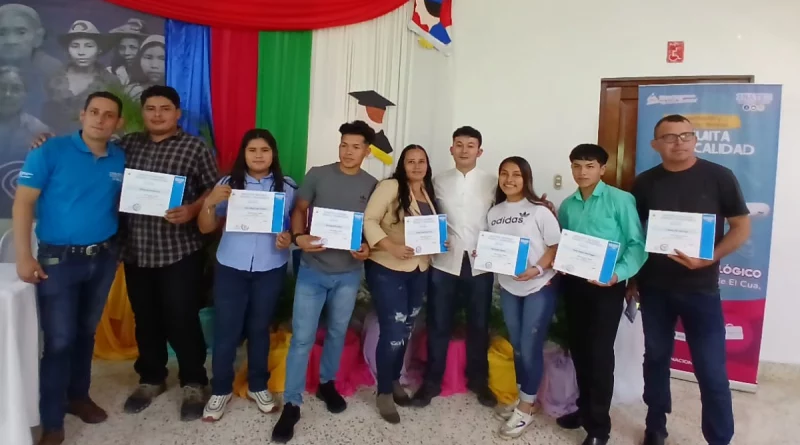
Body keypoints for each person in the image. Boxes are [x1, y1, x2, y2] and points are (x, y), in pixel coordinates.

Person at [31, 86, 217, 420]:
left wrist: (192, 209)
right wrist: (46, 141)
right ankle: (151, 377)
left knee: (182, 317)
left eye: (164, 108)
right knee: (145, 318)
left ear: (177, 113)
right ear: (141, 114)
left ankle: (193, 381)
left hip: (179, 250)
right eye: (150, 108)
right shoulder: (126, 146)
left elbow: (213, 189)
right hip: (135, 250)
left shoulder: (194, 147)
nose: (157, 114)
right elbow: (88, 149)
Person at [13, 91, 126, 445]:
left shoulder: (119, 158)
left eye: (109, 115)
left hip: (103, 258)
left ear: (117, 123)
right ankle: (51, 420)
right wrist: (23, 255)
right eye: (94, 112)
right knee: (60, 340)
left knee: (85, 333)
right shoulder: (48, 150)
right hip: (57, 260)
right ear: (82, 115)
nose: (100, 119)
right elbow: (23, 204)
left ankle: (79, 397)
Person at [631, 115, 750, 445]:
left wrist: (709, 257)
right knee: (655, 359)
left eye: (685, 135)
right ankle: (655, 423)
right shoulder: (644, 183)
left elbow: (742, 227)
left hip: (701, 291)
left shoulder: (719, 177)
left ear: (695, 139)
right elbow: (634, 233)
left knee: (711, 372)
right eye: (669, 137)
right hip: (654, 288)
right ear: (656, 145)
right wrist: (631, 279)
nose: (679, 142)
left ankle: (719, 438)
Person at [271, 121, 376, 443]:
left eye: (356, 146)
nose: (348, 151)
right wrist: (300, 237)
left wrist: (367, 248)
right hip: (313, 271)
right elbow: (299, 208)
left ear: (367, 151)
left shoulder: (372, 184)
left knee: (336, 332)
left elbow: (371, 226)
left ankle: (327, 384)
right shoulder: (318, 173)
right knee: (301, 338)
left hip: (347, 273)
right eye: (344, 144)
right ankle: (291, 403)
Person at [197, 129, 296, 422]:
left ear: (273, 154)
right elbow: (205, 227)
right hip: (231, 267)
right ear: (244, 153)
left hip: (269, 268)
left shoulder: (287, 187)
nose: (258, 155)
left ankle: (257, 385)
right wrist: (210, 202)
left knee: (259, 328)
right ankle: (221, 389)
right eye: (252, 150)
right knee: (227, 330)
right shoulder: (228, 184)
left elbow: (291, 228)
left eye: (264, 150)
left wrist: (287, 238)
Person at [556, 143, 647, 445]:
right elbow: (567, 243)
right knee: (579, 350)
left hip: (607, 288)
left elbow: (636, 245)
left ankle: (599, 428)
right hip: (575, 286)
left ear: (602, 169)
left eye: (589, 166)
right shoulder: (568, 204)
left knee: (598, 355)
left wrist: (617, 275)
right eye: (576, 166)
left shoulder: (620, 200)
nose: (582, 172)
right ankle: (583, 411)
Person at [411, 126, 498, 408]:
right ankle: (431, 382)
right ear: (451, 149)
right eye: (458, 145)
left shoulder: (493, 182)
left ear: (479, 151)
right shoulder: (436, 181)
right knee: (438, 323)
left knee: (478, 324)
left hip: (479, 263)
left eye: (470, 145)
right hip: (444, 263)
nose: (464, 150)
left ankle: (478, 381)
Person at [363, 144, 440, 424]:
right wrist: (389, 245)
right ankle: (383, 391)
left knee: (406, 329)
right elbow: (369, 220)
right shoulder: (391, 186)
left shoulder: (427, 193)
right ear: (402, 165)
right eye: (411, 161)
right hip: (388, 267)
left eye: (422, 161)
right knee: (393, 330)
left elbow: (429, 230)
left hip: (419, 268)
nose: (417, 166)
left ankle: (394, 379)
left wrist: (441, 242)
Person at [485, 156, 561, 439]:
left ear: (526, 178)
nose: (509, 179)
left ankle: (527, 408)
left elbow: (556, 245)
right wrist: (486, 255)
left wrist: (537, 269)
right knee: (517, 346)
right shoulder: (494, 212)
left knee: (530, 346)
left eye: (516, 174)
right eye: (504, 173)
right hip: (508, 288)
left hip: (539, 286)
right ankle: (524, 397)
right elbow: (496, 247)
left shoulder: (539, 211)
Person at [44, 20, 121, 134]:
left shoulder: (111, 82)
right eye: (75, 46)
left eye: (89, 46)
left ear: (99, 49)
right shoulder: (52, 78)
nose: (81, 52)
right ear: (68, 50)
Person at [0, 65, 50, 217]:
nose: (7, 94)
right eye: (2, 88)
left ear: (25, 94)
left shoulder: (40, 132)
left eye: (15, 89)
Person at [0, 4, 63, 115]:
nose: (11, 41)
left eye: (21, 32)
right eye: (2, 33)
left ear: (38, 37)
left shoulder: (53, 70)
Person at [107, 18, 149, 86]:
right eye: (122, 48)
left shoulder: (152, 74)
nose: (126, 53)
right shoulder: (109, 73)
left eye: (133, 47)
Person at [125, 35, 166, 101]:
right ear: (139, 60)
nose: (154, 65)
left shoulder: (182, 90)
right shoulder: (131, 92)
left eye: (162, 59)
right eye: (148, 57)